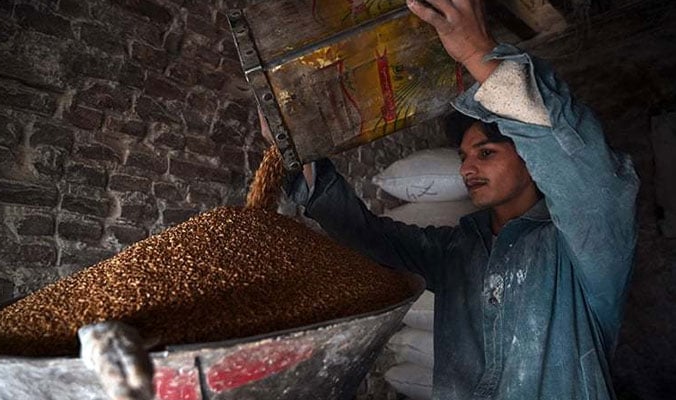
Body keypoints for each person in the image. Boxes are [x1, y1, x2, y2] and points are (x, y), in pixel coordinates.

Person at [261, 0, 639, 398]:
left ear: (531, 159)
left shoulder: (581, 247)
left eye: (486, 153)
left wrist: (479, 54)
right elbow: (371, 237)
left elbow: (589, 175)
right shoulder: (460, 250)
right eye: (464, 157)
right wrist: (305, 168)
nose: (466, 169)